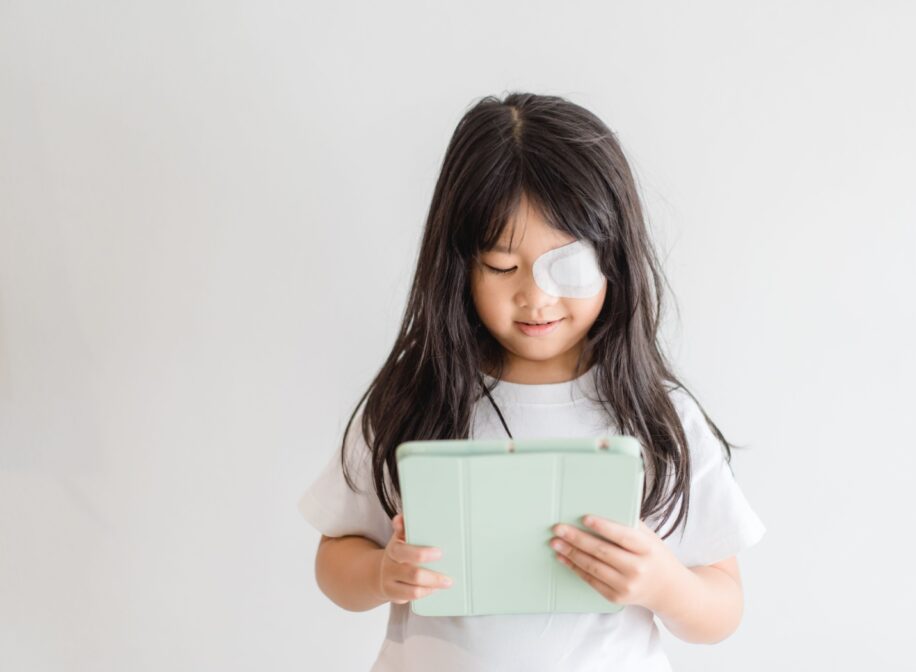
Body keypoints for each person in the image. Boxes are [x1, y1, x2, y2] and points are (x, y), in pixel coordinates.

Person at [297, 92, 767, 671]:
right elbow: (334, 560)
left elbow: (723, 605)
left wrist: (663, 585)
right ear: (459, 265)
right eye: (501, 266)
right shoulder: (416, 397)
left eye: (564, 264)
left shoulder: (655, 415)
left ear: (613, 258)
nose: (536, 296)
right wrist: (380, 573)